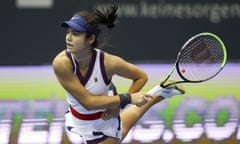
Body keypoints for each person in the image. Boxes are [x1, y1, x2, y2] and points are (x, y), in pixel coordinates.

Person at [52, 5, 184, 144]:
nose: (69, 38)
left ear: (90, 39)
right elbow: (88, 103)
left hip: (104, 117)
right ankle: (159, 93)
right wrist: (126, 99)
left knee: (118, 134)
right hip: (80, 116)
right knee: (124, 129)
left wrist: (118, 107)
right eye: (68, 32)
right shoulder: (61, 63)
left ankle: (159, 93)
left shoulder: (109, 63)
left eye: (76, 34)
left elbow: (141, 77)